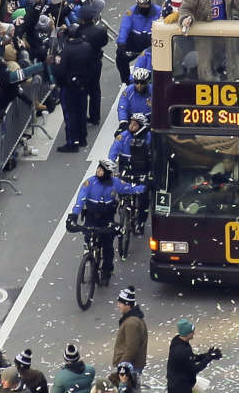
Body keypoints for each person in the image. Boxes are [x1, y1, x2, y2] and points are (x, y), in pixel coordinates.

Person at [66, 162, 146, 284]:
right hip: (92, 216)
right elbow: (80, 200)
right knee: (88, 238)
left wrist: (145, 187)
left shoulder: (116, 183)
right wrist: (73, 215)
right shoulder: (90, 183)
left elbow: (130, 188)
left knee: (108, 245)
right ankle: (89, 254)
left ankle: (107, 270)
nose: (98, 171)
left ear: (108, 173)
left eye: (101, 170)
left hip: (107, 218)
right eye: (98, 168)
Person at [56, 24, 98, 153]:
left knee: (70, 115)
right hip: (83, 85)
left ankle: (73, 142)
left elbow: (61, 71)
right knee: (81, 112)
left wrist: (62, 83)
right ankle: (82, 138)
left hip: (69, 87)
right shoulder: (87, 47)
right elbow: (93, 66)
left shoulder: (66, 51)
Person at [110, 113, 153, 223]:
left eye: (135, 124)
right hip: (126, 168)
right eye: (131, 123)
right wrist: (110, 165)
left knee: (144, 198)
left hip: (142, 169)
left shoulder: (149, 137)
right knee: (121, 190)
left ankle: (141, 222)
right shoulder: (123, 136)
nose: (131, 126)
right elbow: (114, 151)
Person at [116, 0, 163, 83]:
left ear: (150, 3)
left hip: (151, 43)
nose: (143, 7)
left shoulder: (159, 11)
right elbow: (124, 27)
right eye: (140, 5)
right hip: (135, 41)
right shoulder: (131, 11)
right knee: (120, 57)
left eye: (145, 5)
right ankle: (126, 81)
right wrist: (121, 42)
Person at [166, 320, 222, 393]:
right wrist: (209, 357)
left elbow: (191, 358)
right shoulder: (181, 350)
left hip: (178, 383)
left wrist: (206, 355)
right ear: (187, 333)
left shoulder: (178, 340)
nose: (194, 333)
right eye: (192, 332)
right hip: (180, 387)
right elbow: (194, 369)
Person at [113, 287, 149, 376]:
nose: (118, 305)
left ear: (127, 305)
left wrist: (122, 366)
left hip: (130, 367)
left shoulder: (131, 324)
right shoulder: (134, 319)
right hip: (132, 365)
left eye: (120, 303)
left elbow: (132, 349)